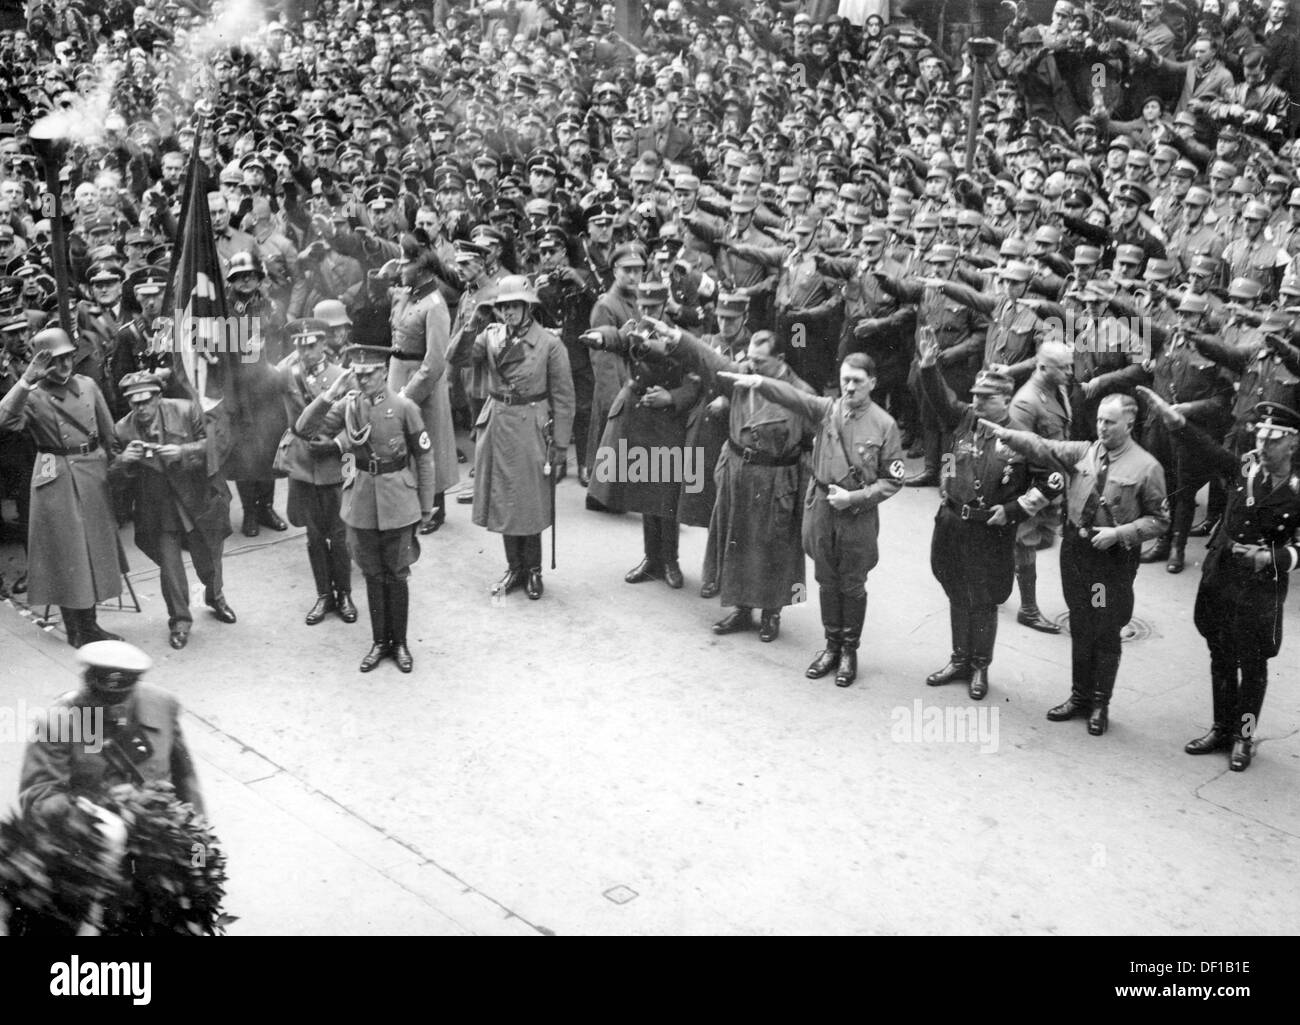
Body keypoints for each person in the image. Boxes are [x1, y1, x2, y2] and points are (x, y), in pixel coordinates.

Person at [981, 394, 1170, 735]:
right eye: (1099, 420)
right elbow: (1043, 447)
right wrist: (1009, 435)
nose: (1102, 427)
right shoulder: (1085, 452)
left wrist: (1119, 533)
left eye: (1110, 422)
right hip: (1077, 554)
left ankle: (1100, 703)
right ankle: (1079, 697)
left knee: (1103, 628)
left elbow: (1159, 520)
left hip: (1107, 563)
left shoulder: (1147, 467)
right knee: (1081, 625)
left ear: (1129, 424)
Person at [719, 352, 906, 687]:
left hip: (856, 516)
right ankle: (830, 646)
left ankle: (849, 651)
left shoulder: (885, 425)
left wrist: (854, 498)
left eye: (857, 381)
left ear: (872, 384)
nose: (849, 387)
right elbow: (795, 397)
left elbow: (892, 479)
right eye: (845, 379)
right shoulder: (827, 410)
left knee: (852, 584)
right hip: (821, 507)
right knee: (826, 580)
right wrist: (761, 382)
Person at [1141, 389, 1300, 772]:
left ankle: (1244, 736)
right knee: (1220, 655)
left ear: (1293, 442)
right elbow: (1208, 449)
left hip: (1261, 589)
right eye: (1260, 437)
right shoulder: (1245, 469)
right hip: (1221, 578)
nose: (1261, 445)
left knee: (1254, 664)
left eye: (1272, 439)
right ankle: (1221, 729)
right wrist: (1175, 421)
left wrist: (1271, 557)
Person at [917, 334, 1062, 701]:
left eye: (986, 397)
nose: (977, 401)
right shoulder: (964, 419)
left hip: (990, 531)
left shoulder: (1021, 436)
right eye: (975, 395)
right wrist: (929, 365)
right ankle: (959, 659)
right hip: (953, 523)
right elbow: (939, 397)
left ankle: (980, 666)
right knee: (955, 591)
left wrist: (1013, 511)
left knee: (983, 599)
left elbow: (1051, 483)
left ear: (1006, 399)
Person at [663, 323, 814, 642]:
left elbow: (814, 442)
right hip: (738, 473)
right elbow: (707, 359)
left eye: (760, 362)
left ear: (781, 359)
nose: (751, 367)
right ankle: (742, 610)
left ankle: (772, 613)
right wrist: (678, 337)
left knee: (776, 547)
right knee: (738, 542)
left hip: (777, 480)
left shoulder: (802, 393)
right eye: (750, 359)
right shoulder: (741, 376)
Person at [297, 345, 437, 673]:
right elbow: (304, 429)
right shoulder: (349, 404)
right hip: (362, 500)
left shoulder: (404, 407)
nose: (362, 380)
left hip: (398, 499)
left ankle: (399, 643)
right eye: (357, 374)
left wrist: (426, 506)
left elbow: (424, 458)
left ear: (384, 372)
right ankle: (379, 642)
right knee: (373, 574)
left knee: (397, 574)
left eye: (369, 373)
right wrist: (331, 393)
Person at [0, 328, 124, 648]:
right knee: (67, 556)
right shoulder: (33, 395)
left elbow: (110, 434)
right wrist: (26, 381)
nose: (64, 364)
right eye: (54, 360)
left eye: (67, 356)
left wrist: (117, 470)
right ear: (41, 364)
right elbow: (3, 421)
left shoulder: (88, 385)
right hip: (57, 476)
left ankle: (91, 626)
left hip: (92, 473)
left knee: (93, 551)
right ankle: (77, 630)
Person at [459, 276, 575, 598]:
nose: (507, 312)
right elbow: (458, 358)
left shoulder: (550, 344)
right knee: (503, 498)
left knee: (529, 500)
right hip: (498, 421)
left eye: (513, 306)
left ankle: (534, 570)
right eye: (502, 307)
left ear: (527, 307)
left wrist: (561, 445)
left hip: (531, 424)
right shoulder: (491, 336)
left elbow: (564, 398)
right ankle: (514, 568)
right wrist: (473, 324)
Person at [110, 371, 235, 650]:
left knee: (208, 560)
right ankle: (179, 620)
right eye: (134, 403)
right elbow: (114, 480)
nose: (141, 408)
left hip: (195, 498)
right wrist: (123, 461)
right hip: (157, 507)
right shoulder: (121, 430)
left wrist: (183, 452)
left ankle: (215, 598)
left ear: (158, 396)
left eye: (146, 401)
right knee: (170, 567)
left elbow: (213, 445)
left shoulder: (185, 409)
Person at [19, 640, 205, 820]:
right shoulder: (57, 723)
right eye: (100, 696)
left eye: (119, 697)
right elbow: (37, 800)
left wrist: (200, 850)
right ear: (87, 682)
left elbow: (186, 781)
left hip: (160, 835)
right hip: (93, 840)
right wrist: (104, 804)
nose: (110, 707)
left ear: (133, 686)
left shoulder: (162, 703)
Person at [272, 319, 355, 627]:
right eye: (299, 345)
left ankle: (344, 593)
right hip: (304, 465)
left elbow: (358, 426)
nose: (304, 351)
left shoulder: (343, 377)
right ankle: (324, 594)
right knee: (313, 535)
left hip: (334, 464)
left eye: (310, 344)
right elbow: (263, 380)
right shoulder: (287, 375)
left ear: (324, 344)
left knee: (340, 533)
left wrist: (336, 444)